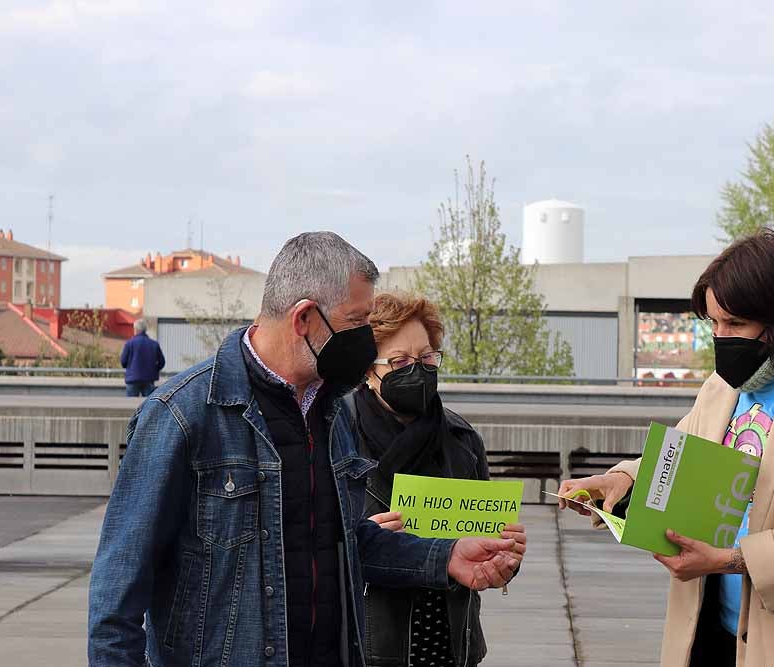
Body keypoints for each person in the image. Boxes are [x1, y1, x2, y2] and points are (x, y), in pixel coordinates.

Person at [88, 232, 521, 667]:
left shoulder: (331, 410)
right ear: (304, 319)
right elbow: (117, 592)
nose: (366, 343)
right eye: (356, 323)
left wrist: (446, 555)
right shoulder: (180, 415)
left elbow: (346, 542)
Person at [559, 228, 774, 667]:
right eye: (714, 324)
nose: (721, 337)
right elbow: (679, 459)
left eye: (735, 323)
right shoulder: (722, 388)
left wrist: (728, 559)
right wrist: (620, 479)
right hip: (709, 630)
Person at [347, 293, 527, 667]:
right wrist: (360, 540)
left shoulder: (463, 440)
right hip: (369, 648)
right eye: (399, 361)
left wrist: (504, 560)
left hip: (449, 646)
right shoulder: (336, 436)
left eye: (427, 357)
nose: (417, 369)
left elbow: (485, 539)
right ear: (368, 368)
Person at [120, 319, 165, 397]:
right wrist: (154, 369)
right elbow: (162, 362)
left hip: (132, 379)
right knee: (148, 406)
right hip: (149, 379)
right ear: (145, 330)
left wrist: (130, 368)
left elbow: (123, 362)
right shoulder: (154, 344)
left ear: (135, 329)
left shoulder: (129, 343)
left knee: (131, 405)